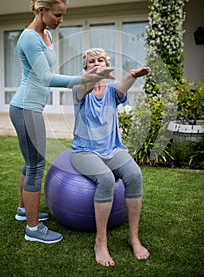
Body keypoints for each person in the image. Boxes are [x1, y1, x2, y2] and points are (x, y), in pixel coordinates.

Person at [9, 0, 114, 244]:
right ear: (42, 10)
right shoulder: (29, 38)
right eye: (57, 15)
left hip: (32, 107)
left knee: (29, 161)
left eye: (63, 15)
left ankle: (24, 211)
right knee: (35, 166)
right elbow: (44, 78)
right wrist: (84, 78)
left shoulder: (45, 35)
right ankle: (33, 229)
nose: (60, 20)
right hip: (25, 107)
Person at [70, 48, 150, 267]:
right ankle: (100, 241)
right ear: (85, 67)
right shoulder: (78, 89)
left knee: (134, 174)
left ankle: (133, 237)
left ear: (107, 63)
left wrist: (132, 75)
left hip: (112, 149)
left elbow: (122, 86)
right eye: (92, 61)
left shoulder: (112, 90)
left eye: (101, 60)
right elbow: (85, 87)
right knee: (105, 179)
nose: (96, 63)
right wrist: (95, 77)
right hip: (84, 151)